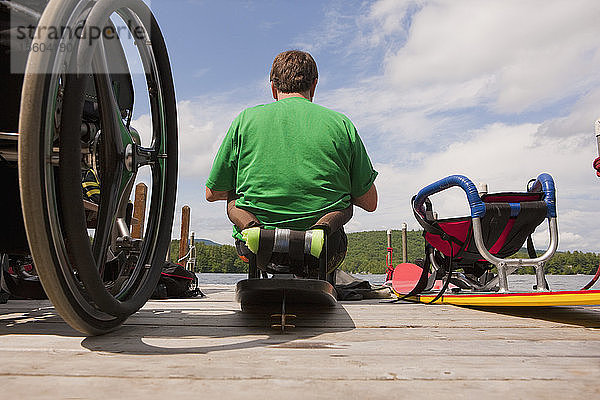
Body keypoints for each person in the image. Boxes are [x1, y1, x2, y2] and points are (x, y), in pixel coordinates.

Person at [206, 50, 378, 276]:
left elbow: (211, 193)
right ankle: (319, 231)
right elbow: (370, 202)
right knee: (344, 202)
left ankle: (253, 229)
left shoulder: (244, 120)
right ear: (314, 85)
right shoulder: (341, 124)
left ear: (273, 87)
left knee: (233, 197)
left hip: (257, 251)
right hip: (323, 250)